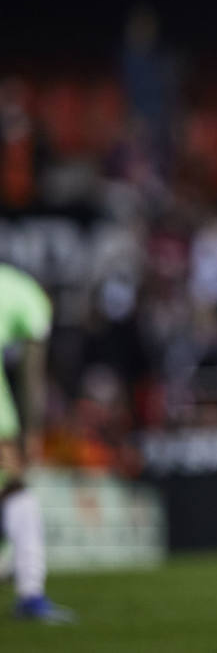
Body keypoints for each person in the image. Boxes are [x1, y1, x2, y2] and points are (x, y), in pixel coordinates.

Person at [0, 264, 74, 624]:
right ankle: (30, 593)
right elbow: (32, 372)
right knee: (15, 490)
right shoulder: (31, 298)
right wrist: (31, 431)